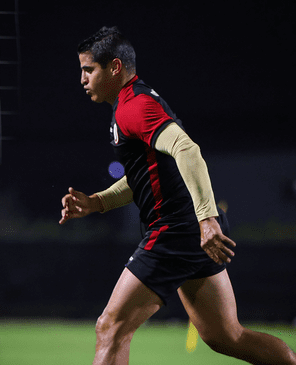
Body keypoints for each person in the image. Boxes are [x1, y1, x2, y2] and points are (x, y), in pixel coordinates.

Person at [59, 26, 296, 365]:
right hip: (189, 230)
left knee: (110, 327)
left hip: (178, 230)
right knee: (226, 336)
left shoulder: (134, 106)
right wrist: (98, 202)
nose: (82, 78)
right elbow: (147, 174)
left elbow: (187, 149)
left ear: (114, 67)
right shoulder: (129, 104)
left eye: (88, 69)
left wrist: (206, 218)